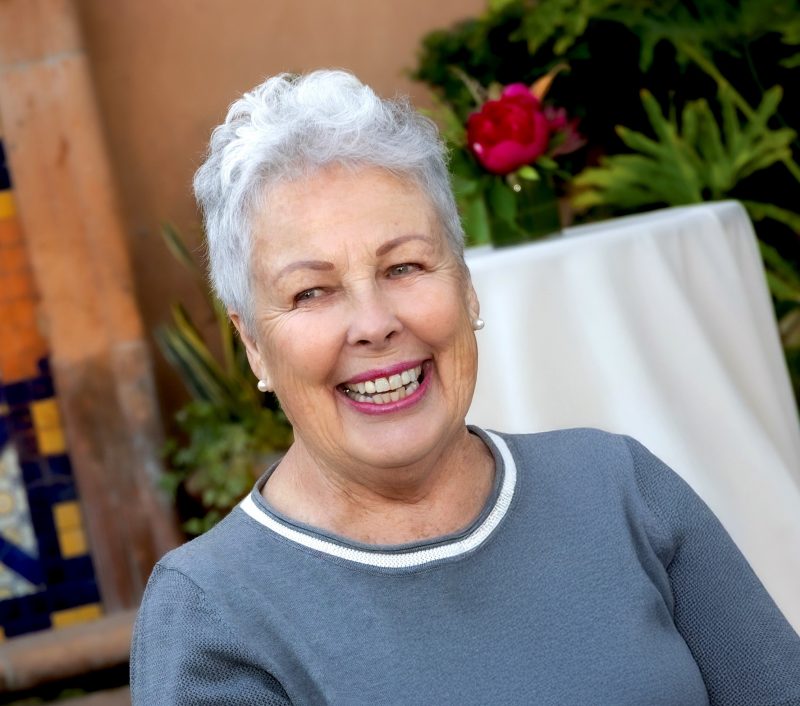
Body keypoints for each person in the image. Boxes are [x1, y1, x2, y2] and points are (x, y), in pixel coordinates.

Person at [130, 69, 800, 705]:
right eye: (312, 291)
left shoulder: (621, 488)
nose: (375, 324)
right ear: (253, 342)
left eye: (405, 266)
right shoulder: (216, 613)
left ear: (467, 285)